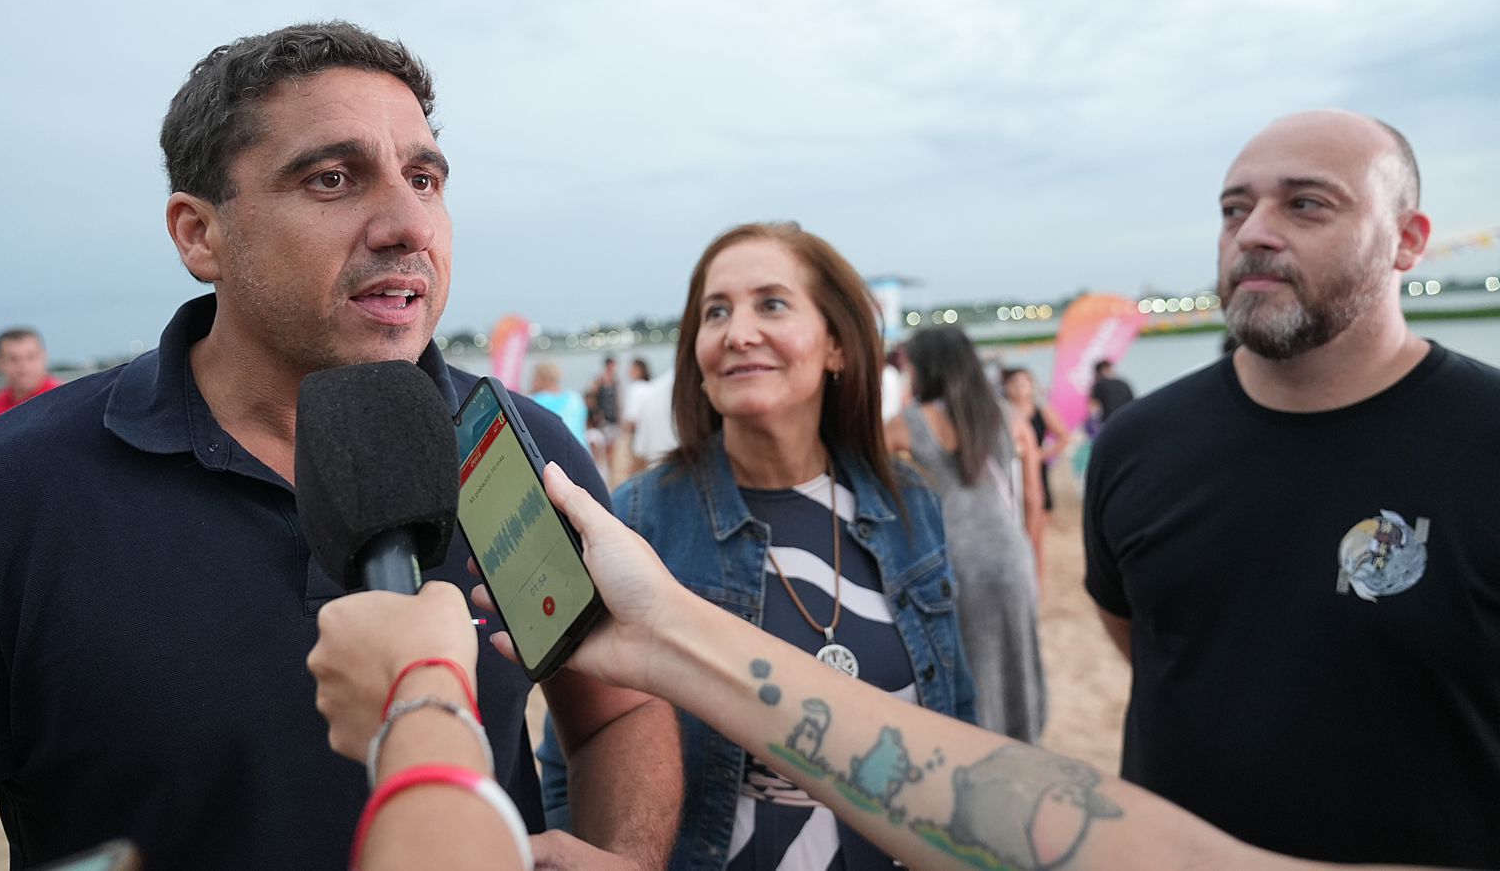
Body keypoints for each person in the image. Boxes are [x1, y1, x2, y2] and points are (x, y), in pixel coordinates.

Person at [0, 22, 679, 870]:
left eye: (424, 180)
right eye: (332, 179)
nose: (409, 225)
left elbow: (621, 709)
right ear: (199, 234)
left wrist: (625, 857)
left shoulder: (524, 453)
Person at [310, 461, 1434, 871]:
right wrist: (660, 633)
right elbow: (1104, 840)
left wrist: (422, 694)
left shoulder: (905, 501)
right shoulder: (657, 503)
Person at [1083, 111, 1500, 867]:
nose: (1253, 233)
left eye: (1306, 204)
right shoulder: (1136, 445)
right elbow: (1152, 645)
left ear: (1407, 240)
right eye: (1234, 209)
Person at [544, 221, 977, 871]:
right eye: (716, 312)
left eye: (771, 304)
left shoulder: (907, 501)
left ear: (837, 345)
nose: (738, 333)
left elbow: (960, 715)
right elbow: (574, 758)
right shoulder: (635, 523)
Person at [884, 327, 1047, 743]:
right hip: (1012, 556)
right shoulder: (1009, 416)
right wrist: (1034, 562)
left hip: (954, 560)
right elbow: (1034, 499)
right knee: (1017, 660)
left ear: (926, 367)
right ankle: (1024, 742)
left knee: (969, 665)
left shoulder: (910, 423)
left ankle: (977, 746)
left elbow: (864, 471)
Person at [998, 366, 1061, 577]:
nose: (1018, 389)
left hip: (1036, 477)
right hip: (1010, 477)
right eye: (1014, 384)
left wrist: (1041, 454)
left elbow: (1064, 436)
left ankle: (1036, 585)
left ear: (1031, 386)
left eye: (1023, 384)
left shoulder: (1040, 411)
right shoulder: (1002, 414)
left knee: (1035, 539)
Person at [0, 326, 59, 426]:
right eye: (13, 359)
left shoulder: (63, 401)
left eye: (31, 357)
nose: (23, 366)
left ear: (44, 356)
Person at [529, 360, 589, 445]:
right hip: (580, 447)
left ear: (542, 379)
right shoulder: (574, 398)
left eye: (535, 378)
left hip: (553, 448)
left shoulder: (535, 400)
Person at [1086, 360, 1134, 426]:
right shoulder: (1124, 384)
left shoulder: (1099, 385)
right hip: (1127, 421)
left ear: (1099, 372)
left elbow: (1093, 408)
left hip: (1109, 423)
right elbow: (1132, 403)